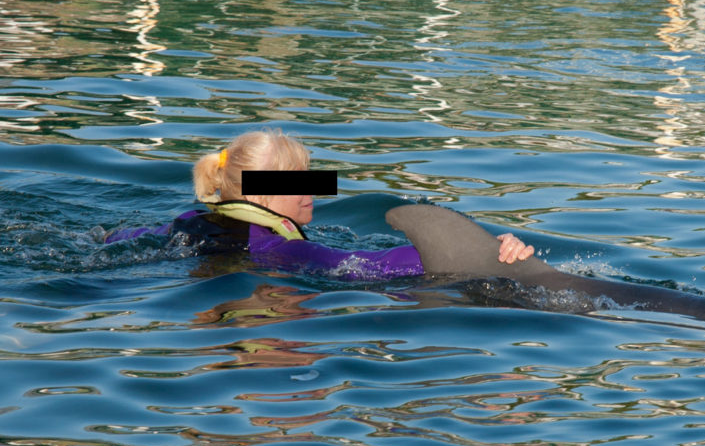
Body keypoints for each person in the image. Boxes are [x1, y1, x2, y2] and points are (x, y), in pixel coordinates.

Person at [105, 129, 535, 280]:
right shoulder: (278, 248)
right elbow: (366, 264)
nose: (314, 187)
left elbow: (123, 238)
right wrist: (480, 253)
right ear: (258, 195)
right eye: (298, 180)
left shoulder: (189, 222)